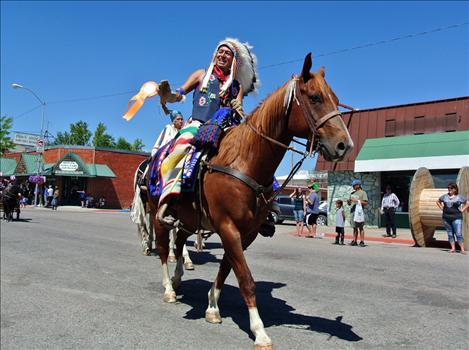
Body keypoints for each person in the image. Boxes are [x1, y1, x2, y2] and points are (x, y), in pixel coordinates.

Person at [155, 38, 258, 226]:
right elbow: (179, 94)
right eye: (220, 51)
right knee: (179, 151)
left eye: (227, 53)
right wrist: (167, 95)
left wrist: (237, 105)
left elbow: (240, 111)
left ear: (234, 60)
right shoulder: (201, 74)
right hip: (198, 125)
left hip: (226, 129)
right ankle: (169, 202)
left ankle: (264, 206)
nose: (222, 55)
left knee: (252, 152)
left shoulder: (237, 86)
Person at [436, 183, 468, 254]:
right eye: (448, 188)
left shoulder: (459, 197)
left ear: (455, 189)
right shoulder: (444, 196)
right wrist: (442, 208)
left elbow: (467, 202)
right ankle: (453, 248)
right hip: (446, 218)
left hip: (457, 218)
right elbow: (438, 201)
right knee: (450, 234)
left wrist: (463, 210)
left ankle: (462, 250)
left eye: (451, 188)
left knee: (458, 233)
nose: (449, 189)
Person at [347, 179, 369, 247]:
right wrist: (349, 201)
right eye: (353, 185)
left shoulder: (363, 193)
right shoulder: (352, 193)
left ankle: (362, 241)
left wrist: (357, 200)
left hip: (359, 213)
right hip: (353, 212)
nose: (353, 186)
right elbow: (350, 203)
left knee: (361, 227)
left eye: (354, 185)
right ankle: (354, 240)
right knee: (354, 227)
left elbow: (366, 202)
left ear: (358, 185)